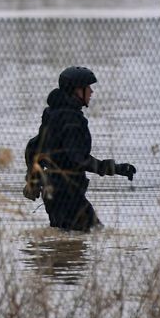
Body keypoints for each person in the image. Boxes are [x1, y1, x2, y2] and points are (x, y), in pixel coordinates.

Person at [24, 66, 136, 232]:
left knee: (66, 240)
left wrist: (32, 180)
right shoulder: (71, 119)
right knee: (94, 233)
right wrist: (115, 168)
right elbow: (79, 160)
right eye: (87, 87)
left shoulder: (53, 114)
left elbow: (33, 148)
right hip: (67, 195)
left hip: (53, 192)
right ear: (77, 90)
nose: (91, 91)